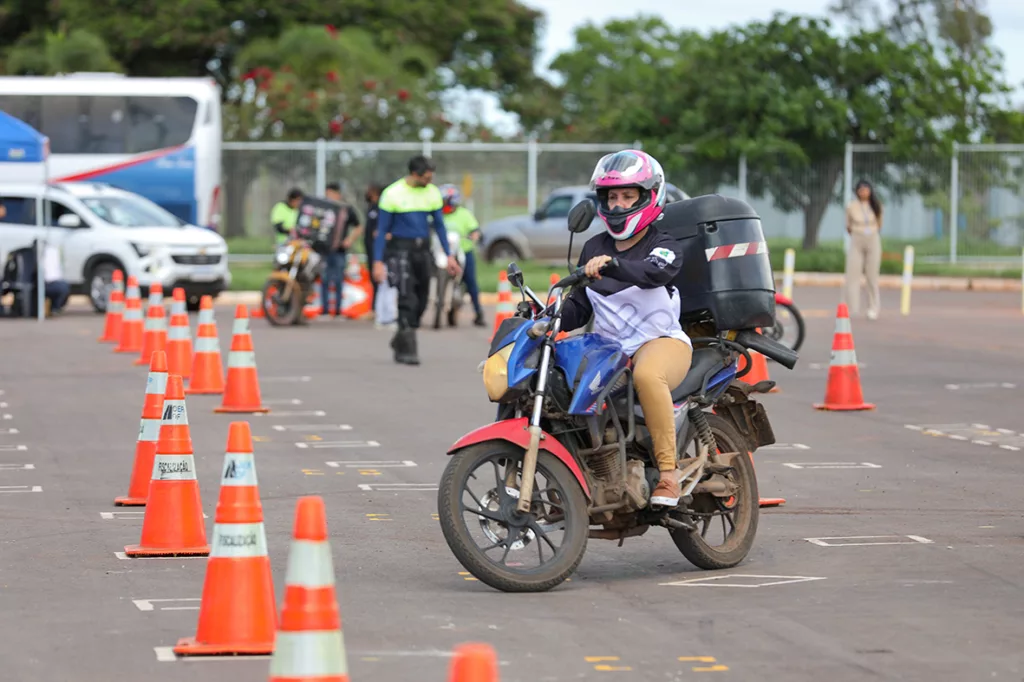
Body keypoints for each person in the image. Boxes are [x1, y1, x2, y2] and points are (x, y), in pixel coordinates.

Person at [556, 149, 693, 508]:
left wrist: (614, 265)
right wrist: (546, 316)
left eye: (628, 197)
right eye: (611, 197)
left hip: (661, 343)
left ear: (649, 197)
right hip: (611, 350)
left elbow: (653, 273)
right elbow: (579, 306)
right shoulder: (593, 247)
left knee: (648, 375)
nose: (618, 206)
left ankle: (668, 474)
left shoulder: (662, 245)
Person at [372, 156, 460, 365]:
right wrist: (377, 261)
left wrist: (449, 256)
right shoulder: (392, 194)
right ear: (415, 174)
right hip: (400, 250)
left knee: (421, 299)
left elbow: (439, 226)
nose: (430, 180)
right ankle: (408, 351)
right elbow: (382, 229)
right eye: (427, 176)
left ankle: (400, 336)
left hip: (423, 250)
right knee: (407, 298)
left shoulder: (431, 193)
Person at [438, 184, 485, 327]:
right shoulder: (437, 215)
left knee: (471, 282)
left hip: (463, 252)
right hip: (442, 254)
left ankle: (478, 313)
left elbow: (474, 229)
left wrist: (474, 235)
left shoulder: (464, 214)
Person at [321, 182, 363, 317]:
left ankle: (338, 311)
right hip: (325, 250)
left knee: (338, 280)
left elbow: (358, 226)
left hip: (340, 251)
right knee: (325, 279)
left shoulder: (345, 209)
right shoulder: (323, 208)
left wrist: (349, 240)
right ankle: (325, 310)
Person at [844, 179, 883, 320]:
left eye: (866, 189)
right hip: (857, 237)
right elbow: (847, 226)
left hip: (872, 238)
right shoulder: (851, 206)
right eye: (861, 190)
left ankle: (873, 307)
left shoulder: (876, 205)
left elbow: (880, 223)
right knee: (852, 275)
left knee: (872, 276)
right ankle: (852, 307)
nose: (863, 192)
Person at [362, 183, 384, 310]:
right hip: (369, 248)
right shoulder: (371, 207)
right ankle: (375, 307)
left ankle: (377, 308)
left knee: (378, 278)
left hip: (377, 249)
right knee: (372, 278)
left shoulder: (380, 207)